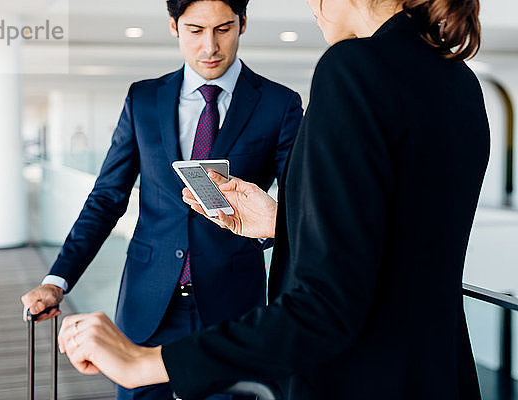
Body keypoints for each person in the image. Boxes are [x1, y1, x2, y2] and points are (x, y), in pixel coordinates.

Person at [56, 0, 490, 399]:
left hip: (358, 376)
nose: (310, 7)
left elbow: (323, 309)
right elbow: (394, 244)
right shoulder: (457, 80)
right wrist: (281, 222)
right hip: (438, 374)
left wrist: (148, 361)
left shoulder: (352, 68)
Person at [21, 0, 303, 399]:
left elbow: (300, 204)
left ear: (243, 23)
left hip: (231, 307)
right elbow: (107, 197)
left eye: (223, 29)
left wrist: (267, 230)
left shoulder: (279, 104)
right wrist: (58, 280)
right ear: (173, 25)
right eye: (194, 30)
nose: (210, 47)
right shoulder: (144, 99)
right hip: (148, 302)